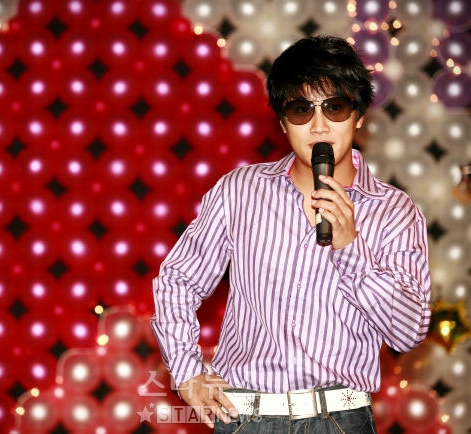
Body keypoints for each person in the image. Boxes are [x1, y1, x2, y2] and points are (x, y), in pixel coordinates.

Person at [151, 35, 431, 433]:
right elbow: (178, 279)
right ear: (283, 122)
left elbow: (408, 331)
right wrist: (186, 372)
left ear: (358, 115)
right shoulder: (240, 191)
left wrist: (350, 247)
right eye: (301, 110)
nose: (319, 125)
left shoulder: (394, 210)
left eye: (335, 107)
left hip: (339, 418)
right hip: (246, 417)